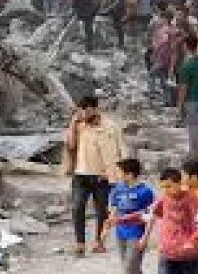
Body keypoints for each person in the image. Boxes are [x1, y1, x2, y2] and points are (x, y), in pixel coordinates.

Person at [64, 96, 128, 256]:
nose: (84, 114)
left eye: (87, 110)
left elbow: (122, 150)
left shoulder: (111, 127)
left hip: (102, 176)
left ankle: (99, 242)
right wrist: (73, 123)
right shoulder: (79, 126)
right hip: (81, 174)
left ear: (95, 109)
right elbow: (71, 145)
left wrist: (121, 173)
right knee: (77, 207)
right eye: (81, 110)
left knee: (102, 210)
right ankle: (80, 243)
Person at [145, 168, 198, 274]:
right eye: (163, 187)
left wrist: (192, 241)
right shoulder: (163, 199)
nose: (165, 190)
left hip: (188, 255)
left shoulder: (192, 199)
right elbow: (148, 215)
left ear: (179, 183)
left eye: (168, 186)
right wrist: (121, 219)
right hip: (167, 254)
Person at [105, 159, 154, 274]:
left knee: (129, 269)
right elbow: (114, 208)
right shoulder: (118, 189)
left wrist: (145, 237)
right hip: (120, 233)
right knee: (130, 268)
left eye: (119, 172)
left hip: (136, 234)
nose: (117, 175)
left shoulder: (145, 192)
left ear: (130, 174)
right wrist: (108, 223)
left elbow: (150, 215)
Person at [178, 35, 198, 160]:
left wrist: (180, 104)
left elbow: (183, 87)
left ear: (186, 46)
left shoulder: (187, 65)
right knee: (195, 128)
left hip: (192, 100)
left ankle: (194, 155)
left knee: (193, 129)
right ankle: (193, 153)